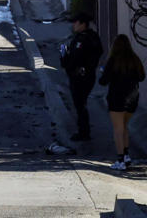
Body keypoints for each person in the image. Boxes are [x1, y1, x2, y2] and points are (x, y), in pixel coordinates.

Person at [99, 34, 145, 170]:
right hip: (132, 98)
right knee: (125, 127)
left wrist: (103, 72)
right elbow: (142, 77)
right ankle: (126, 155)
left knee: (118, 129)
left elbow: (103, 81)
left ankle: (120, 160)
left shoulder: (113, 60)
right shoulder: (134, 59)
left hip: (117, 98)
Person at [60, 12, 103, 141]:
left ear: (83, 24)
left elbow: (77, 58)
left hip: (81, 77)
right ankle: (83, 130)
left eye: (76, 22)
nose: (74, 25)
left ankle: (84, 132)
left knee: (80, 104)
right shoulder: (88, 37)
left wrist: (69, 61)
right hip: (84, 75)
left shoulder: (84, 39)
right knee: (80, 104)